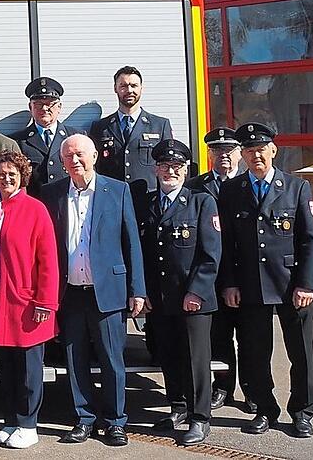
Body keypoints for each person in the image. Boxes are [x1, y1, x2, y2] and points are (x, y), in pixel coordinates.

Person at [41, 134, 145, 447]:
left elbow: (132, 243)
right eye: (68, 156)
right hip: (69, 293)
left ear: (95, 156)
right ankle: (83, 419)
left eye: (80, 154)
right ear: (61, 162)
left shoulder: (118, 190)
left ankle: (115, 422)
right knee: (75, 360)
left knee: (112, 360)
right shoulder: (51, 193)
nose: (74, 160)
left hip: (108, 291)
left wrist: (137, 289)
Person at [218, 122, 313, 438]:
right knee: (254, 351)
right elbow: (227, 243)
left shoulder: (296, 188)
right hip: (251, 284)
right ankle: (264, 409)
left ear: (273, 150)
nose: (255, 156)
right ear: (242, 155)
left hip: (291, 284)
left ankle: (302, 412)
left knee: (300, 351)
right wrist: (230, 283)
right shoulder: (232, 191)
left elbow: (309, 239)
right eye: (248, 151)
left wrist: (306, 284)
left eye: (260, 149)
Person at [0, 150, 58, 449]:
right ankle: (10, 420)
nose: (6, 178)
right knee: (5, 366)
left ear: (22, 177)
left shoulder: (35, 209)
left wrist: (45, 303)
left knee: (29, 368)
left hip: (27, 303)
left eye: (12, 174)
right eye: (1, 174)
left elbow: (48, 260)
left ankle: (28, 423)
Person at [139, 139, 221, 446]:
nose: (169, 171)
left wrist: (197, 292)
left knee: (196, 359)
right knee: (168, 355)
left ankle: (200, 418)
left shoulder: (202, 202)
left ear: (185, 170)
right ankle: (178, 406)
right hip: (161, 298)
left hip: (193, 300)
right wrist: (143, 292)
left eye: (176, 167)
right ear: (156, 169)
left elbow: (211, 253)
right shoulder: (146, 204)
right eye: (164, 166)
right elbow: (145, 254)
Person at [185, 127, 254, 413]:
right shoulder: (195, 187)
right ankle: (222, 387)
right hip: (211, 277)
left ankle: (253, 390)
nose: (224, 156)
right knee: (219, 336)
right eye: (217, 151)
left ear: (239, 154)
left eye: (229, 150)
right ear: (209, 154)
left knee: (250, 337)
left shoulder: (249, 184)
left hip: (246, 275)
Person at [88, 66, 173, 198]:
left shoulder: (160, 125)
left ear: (141, 88)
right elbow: (93, 166)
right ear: (115, 88)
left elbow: (168, 164)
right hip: (111, 198)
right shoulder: (99, 127)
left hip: (147, 199)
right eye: (123, 86)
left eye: (134, 85)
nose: (129, 90)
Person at [10, 77, 81, 198]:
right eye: (38, 104)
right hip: (34, 208)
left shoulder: (76, 138)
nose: (44, 109)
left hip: (68, 205)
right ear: (30, 107)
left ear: (59, 107)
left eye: (49, 104)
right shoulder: (17, 141)